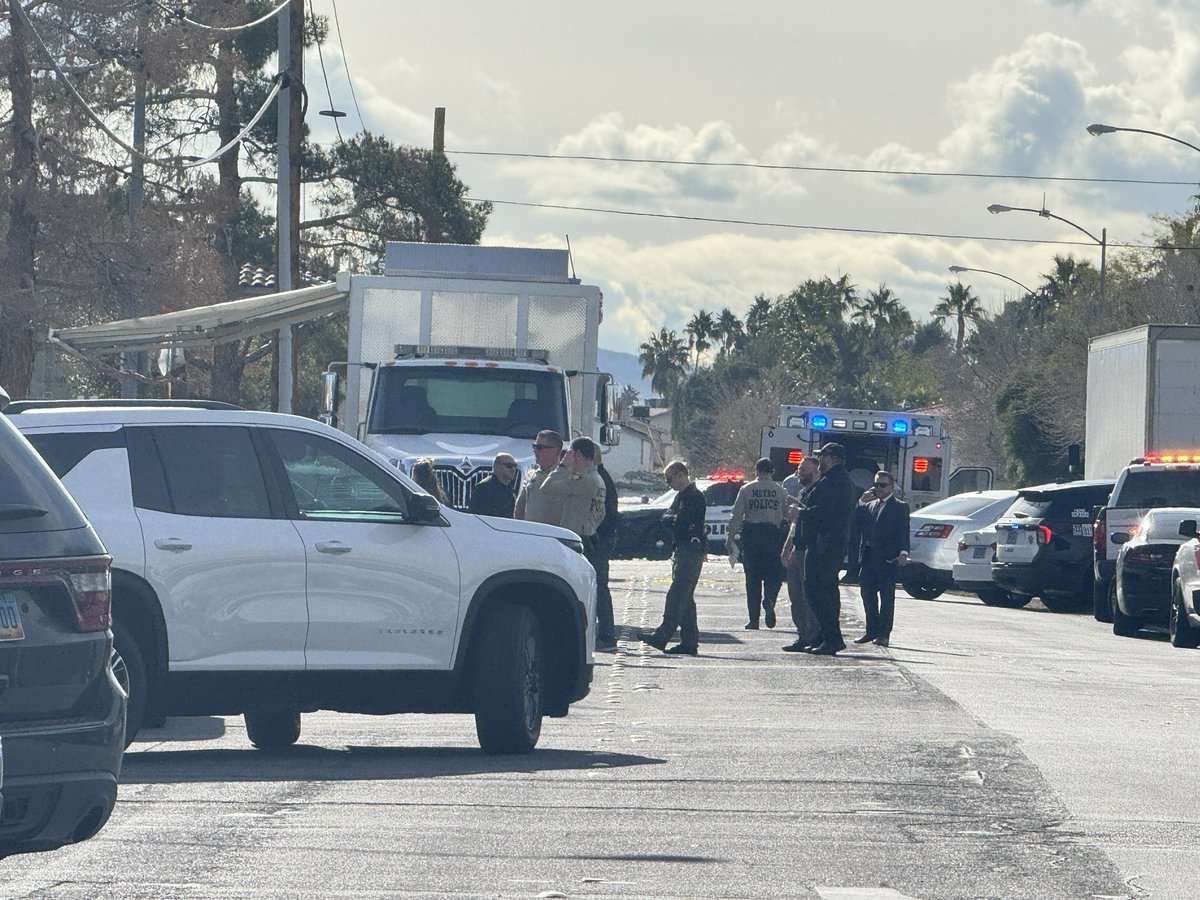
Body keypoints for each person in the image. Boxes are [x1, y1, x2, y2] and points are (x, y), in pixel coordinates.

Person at [794, 442, 855, 656]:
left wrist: (801, 514)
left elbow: (825, 513)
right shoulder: (836, 479)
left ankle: (832, 638)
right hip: (825, 543)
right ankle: (823, 636)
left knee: (818, 590)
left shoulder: (834, 481)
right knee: (820, 590)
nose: (819, 459)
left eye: (822, 456)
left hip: (825, 544)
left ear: (829, 457)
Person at [641, 460, 706, 656]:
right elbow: (668, 517)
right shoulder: (682, 496)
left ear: (680, 475)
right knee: (686, 599)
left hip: (690, 550)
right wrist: (672, 519)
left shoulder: (694, 496)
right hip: (682, 549)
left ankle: (662, 635)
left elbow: (680, 522)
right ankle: (689, 642)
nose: (669, 484)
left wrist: (672, 519)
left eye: (670, 479)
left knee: (677, 594)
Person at [851, 470, 910, 647]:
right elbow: (855, 520)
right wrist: (862, 500)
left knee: (886, 598)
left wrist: (904, 552)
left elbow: (903, 531)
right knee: (867, 594)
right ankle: (871, 630)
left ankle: (884, 634)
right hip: (869, 557)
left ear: (891, 487)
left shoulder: (899, 507)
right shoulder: (870, 505)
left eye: (882, 485)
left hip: (887, 558)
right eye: (876, 485)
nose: (878, 488)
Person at [727, 457, 787, 629]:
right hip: (773, 535)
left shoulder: (747, 489)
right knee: (773, 576)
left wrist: (730, 538)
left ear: (756, 471)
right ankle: (769, 600)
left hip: (752, 536)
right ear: (772, 472)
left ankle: (754, 620)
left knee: (752, 579)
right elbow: (787, 515)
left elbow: (736, 515)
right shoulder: (780, 490)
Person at [780, 456, 821, 652]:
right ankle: (802, 635)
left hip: (810, 549)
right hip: (797, 548)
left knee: (808, 596)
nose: (799, 473)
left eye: (803, 470)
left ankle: (814, 636)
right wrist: (787, 547)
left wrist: (801, 509)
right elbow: (796, 524)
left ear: (815, 471)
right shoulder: (803, 492)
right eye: (798, 469)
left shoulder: (819, 491)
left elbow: (818, 518)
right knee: (795, 596)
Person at [539, 437, 607, 541]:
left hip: (576, 537)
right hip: (589, 534)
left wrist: (562, 466)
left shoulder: (583, 480)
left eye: (572, 455)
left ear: (578, 454)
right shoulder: (598, 479)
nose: (571, 460)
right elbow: (601, 514)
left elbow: (547, 487)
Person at [592, 455, 620, 649]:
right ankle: (605, 633)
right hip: (604, 537)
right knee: (599, 587)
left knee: (599, 587)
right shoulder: (601, 477)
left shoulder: (598, 479)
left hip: (600, 539)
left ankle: (607, 634)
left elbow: (603, 513)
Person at [515, 430, 564, 522]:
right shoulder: (532, 473)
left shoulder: (563, 476)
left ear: (554, 451)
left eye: (539, 447)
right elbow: (520, 507)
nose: (534, 450)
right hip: (529, 530)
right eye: (534, 446)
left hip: (551, 531)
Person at [467, 453, 519, 518]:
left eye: (515, 466)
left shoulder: (511, 491)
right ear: (496, 467)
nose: (513, 469)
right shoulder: (483, 489)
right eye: (509, 466)